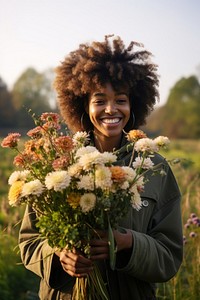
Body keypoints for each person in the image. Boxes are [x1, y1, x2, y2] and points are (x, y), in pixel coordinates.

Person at [19, 35, 183, 300]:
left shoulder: (153, 168)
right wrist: (59, 254)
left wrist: (130, 243)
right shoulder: (59, 165)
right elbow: (29, 243)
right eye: (99, 100)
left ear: (133, 104)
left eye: (120, 99)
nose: (111, 109)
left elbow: (170, 256)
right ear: (83, 104)